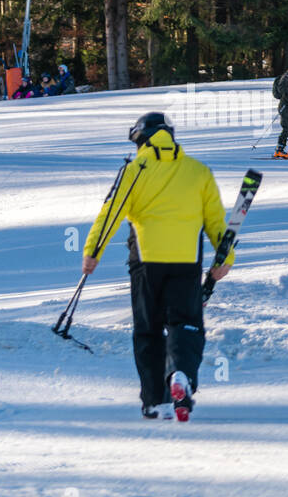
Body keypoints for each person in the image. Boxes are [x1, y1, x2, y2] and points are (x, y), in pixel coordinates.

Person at [81, 110, 235, 422]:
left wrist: (92, 252)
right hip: (186, 261)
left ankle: (155, 400)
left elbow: (111, 212)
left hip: (146, 260)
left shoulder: (135, 169)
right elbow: (217, 223)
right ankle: (180, 375)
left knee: (148, 329)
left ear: (141, 139)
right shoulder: (198, 171)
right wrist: (225, 259)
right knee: (186, 323)